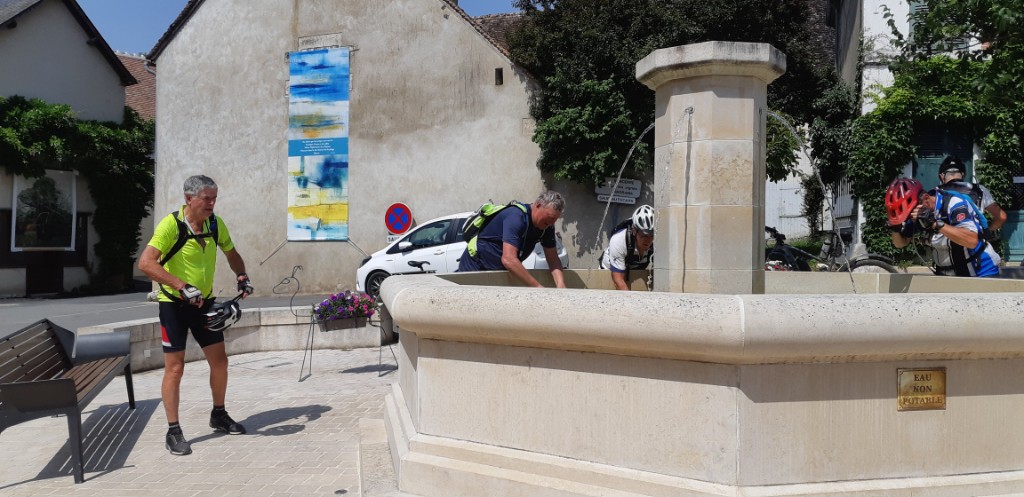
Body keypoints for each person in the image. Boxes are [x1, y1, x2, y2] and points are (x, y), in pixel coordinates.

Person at [138, 175, 254, 456]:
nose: (212, 203)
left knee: (220, 362)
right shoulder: (171, 225)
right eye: (206, 198)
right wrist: (181, 286)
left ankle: (219, 414)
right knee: (175, 368)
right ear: (189, 199)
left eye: (214, 198)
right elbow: (146, 263)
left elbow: (231, 253)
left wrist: (241, 275)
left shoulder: (215, 224)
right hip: (174, 306)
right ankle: (173, 430)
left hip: (204, 304)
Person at [886, 177, 1000, 277]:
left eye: (912, 212)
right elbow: (900, 243)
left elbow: (971, 240)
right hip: (947, 275)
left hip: (981, 272)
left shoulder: (954, 203)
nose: (912, 216)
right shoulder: (918, 212)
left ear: (926, 198)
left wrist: (934, 223)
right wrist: (895, 229)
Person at [457, 190, 567, 288]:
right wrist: (538, 288)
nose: (552, 223)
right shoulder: (516, 217)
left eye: (555, 219)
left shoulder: (546, 225)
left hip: (499, 272)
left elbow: (553, 259)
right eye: (550, 217)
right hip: (475, 268)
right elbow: (509, 260)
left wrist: (561, 284)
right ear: (538, 205)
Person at [935, 155, 1006, 236]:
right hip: (973, 239)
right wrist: (987, 230)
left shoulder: (936, 192)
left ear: (942, 176)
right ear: (963, 174)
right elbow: (1002, 217)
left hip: (944, 240)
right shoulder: (980, 190)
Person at [600, 204, 655, 290]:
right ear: (634, 231)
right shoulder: (619, 239)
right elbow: (618, 281)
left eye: (651, 235)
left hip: (634, 269)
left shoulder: (656, 242)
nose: (648, 240)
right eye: (643, 235)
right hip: (609, 271)